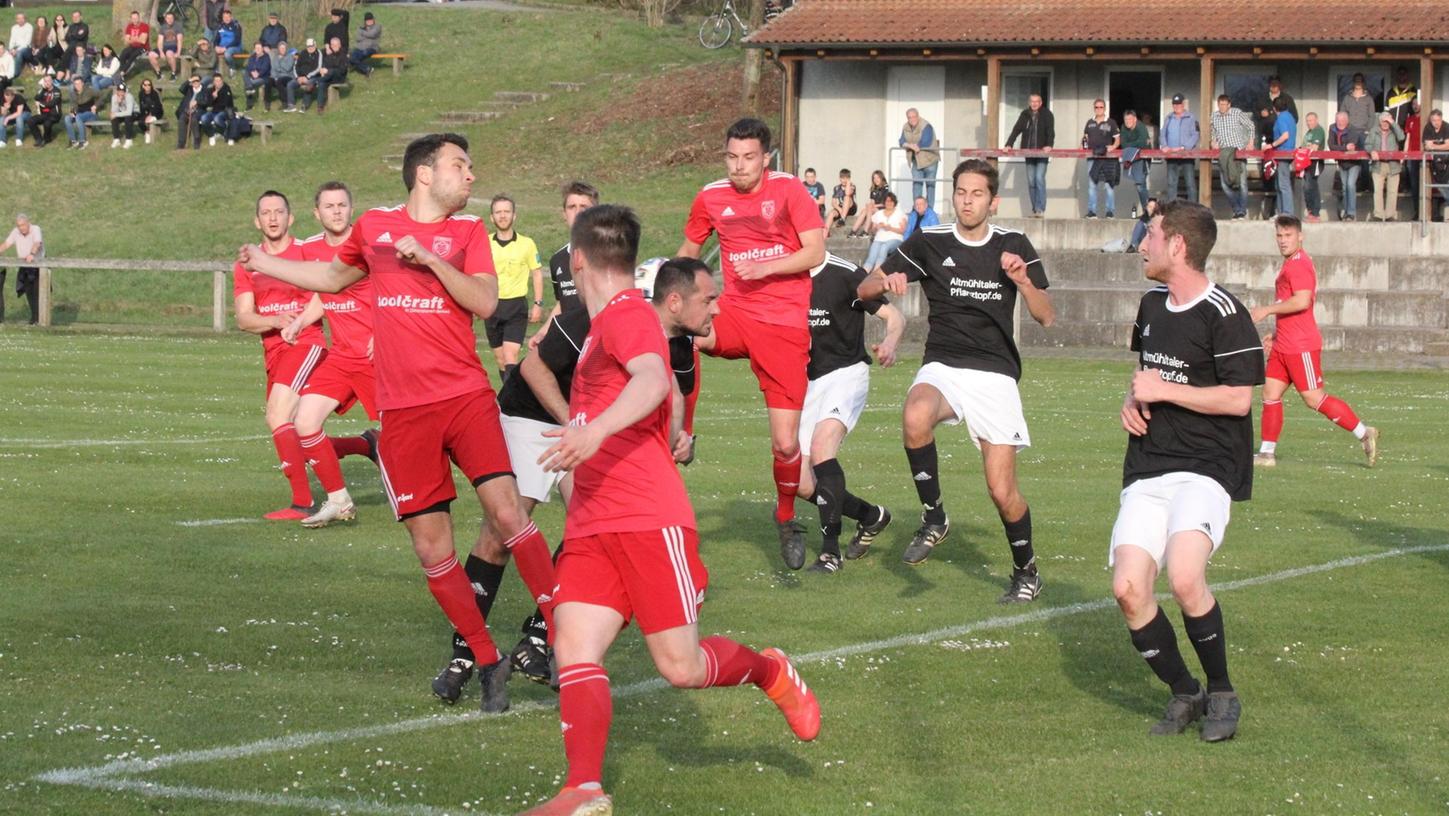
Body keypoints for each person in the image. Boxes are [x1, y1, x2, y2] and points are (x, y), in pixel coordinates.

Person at [238, 133, 561, 715]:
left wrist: (433, 259)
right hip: (404, 413)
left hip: (465, 397)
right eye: (460, 165)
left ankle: (564, 633)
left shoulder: (467, 235)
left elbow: (487, 303)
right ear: (423, 174)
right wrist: (266, 263)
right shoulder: (373, 227)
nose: (470, 176)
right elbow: (334, 279)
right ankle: (486, 660)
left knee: (508, 513)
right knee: (430, 547)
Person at [520, 205, 820, 816]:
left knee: (681, 668)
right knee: (574, 648)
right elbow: (664, 398)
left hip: (647, 519)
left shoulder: (627, 313)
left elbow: (654, 379)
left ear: (576, 260)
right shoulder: (607, 320)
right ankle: (584, 788)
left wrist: (595, 432)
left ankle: (769, 672)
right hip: (594, 524)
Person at [455, 256, 712, 691]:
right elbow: (532, 368)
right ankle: (466, 652)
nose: (715, 311)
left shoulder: (680, 342)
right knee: (504, 530)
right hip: (536, 416)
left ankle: (544, 637)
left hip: (595, 435)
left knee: (590, 523)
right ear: (671, 301)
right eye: (709, 300)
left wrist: (681, 439)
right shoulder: (589, 320)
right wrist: (577, 423)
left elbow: (671, 397)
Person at [858, 158, 1055, 603]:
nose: (967, 201)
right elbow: (864, 290)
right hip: (944, 363)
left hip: (995, 373)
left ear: (993, 201)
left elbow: (1046, 316)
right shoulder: (930, 240)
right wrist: (883, 281)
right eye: (961, 193)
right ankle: (934, 517)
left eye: (977, 194)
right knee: (914, 414)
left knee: (1002, 491)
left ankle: (1026, 572)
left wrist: (1023, 281)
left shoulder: (1013, 243)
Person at [1113, 199, 1262, 743]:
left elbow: (1239, 399)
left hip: (1207, 468)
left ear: (1177, 245)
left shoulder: (1225, 312)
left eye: (1151, 234)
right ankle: (1184, 691)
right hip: (1149, 466)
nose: (1143, 244)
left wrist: (1162, 389)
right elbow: (1143, 377)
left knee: (1183, 575)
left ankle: (1221, 690)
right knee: (1129, 587)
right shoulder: (1151, 304)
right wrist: (1132, 401)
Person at [677, 118, 826, 569]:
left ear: (765, 158)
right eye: (732, 157)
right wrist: (665, 290)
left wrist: (770, 268)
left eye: (748, 158)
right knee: (683, 332)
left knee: (785, 445)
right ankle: (685, 431)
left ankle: (785, 517)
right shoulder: (711, 196)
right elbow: (686, 252)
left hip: (783, 324)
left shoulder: (789, 191)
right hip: (735, 313)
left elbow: (815, 251)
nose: (739, 167)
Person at [795, 252, 903, 572]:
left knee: (821, 450)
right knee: (799, 484)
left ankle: (830, 553)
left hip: (846, 374)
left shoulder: (845, 274)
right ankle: (871, 516)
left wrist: (891, 343)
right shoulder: (786, 279)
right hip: (808, 382)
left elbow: (895, 317)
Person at [1247, 215, 1377, 469]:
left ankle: (1364, 432)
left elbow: (1302, 301)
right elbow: (1293, 304)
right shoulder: (1290, 264)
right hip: (1284, 342)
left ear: (1300, 236)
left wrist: (1267, 310)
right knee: (1270, 394)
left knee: (1313, 398)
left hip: (1300, 345)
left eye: (1288, 236)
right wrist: (1276, 333)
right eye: (1279, 236)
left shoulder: (1299, 265)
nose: (1283, 241)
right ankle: (1266, 453)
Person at [232, 192, 332, 519]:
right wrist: (274, 320)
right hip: (274, 351)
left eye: (279, 212)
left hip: (305, 343)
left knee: (277, 415)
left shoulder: (306, 252)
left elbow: (326, 295)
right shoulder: (248, 263)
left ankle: (302, 503)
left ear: (291, 218)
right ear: (256, 221)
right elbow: (244, 318)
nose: (273, 218)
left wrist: (300, 321)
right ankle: (365, 444)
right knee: (295, 430)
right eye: (265, 213)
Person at [292, 181, 381, 528]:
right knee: (304, 422)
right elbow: (323, 291)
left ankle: (374, 445)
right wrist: (301, 321)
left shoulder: (367, 245)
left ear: (351, 209)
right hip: (342, 357)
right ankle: (339, 500)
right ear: (317, 213)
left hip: (376, 357)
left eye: (342, 205)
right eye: (329, 206)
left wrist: (384, 333)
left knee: (405, 441)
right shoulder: (311, 248)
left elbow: (393, 290)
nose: (336, 211)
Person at [485, 194, 544, 381]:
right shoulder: (484, 243)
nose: (503, 216)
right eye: (498, 212)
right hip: (491, 306)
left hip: (516, 307)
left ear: (514, 216)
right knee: (500, 359)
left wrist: (538, 303)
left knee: (511, 356)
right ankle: (507, 400)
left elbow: (536, 273)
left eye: (507, 212)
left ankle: (512, 402)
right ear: (492, 217)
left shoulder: (527, 244)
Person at [544, 180, 598, 322]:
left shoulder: (609, 254)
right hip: (570, 342)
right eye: (572, 207)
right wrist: (543, 331)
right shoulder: (557, 260)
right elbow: (563, 302)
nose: (578, 212)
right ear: (564, 214)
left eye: (584, 206)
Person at [1004, 92, 1054, 216]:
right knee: (1031, 181)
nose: (1034, 103)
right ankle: (1035, 209)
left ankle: (1040, 209)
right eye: (1032, 101)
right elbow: (1016, 130)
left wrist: (1049, 145)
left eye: (1037, 101)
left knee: (1039, 179)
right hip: (1028, 152)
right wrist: (1009, 144)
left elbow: (1051, 131)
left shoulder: (1047, 114)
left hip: (1042, 153)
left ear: (1041, 103)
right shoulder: (1025, 114)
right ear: (1029, 102)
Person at [1209, 94, 1253, 220]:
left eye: (1224, 104)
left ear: (1229, 104)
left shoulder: (1237, 113)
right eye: (1220, 104)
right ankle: (1237, 209)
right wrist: (1213, 141)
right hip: (1223, 154)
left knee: (1242, 184)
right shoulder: (1214, 116)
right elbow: (1213, 132)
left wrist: (1250, 142)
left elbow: (1251, 126)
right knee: (1225, 185)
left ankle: (1242, 211)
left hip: (1237, 152)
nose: (1222, 107)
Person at [0, 213, 42, 325]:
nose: (21, 228)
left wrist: (32, 254)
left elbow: (37, 243)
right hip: (25, 266)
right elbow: (6, 244)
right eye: (19, 225)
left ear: (28, 223)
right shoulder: (16, 232)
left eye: (23, 225)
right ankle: (34, 318)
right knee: (28, 292)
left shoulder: (35, 229)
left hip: (38, 266)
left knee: (38, 292)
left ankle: (40, 319)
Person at [1082, 98, 1120, 218]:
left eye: (1101, 107)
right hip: (1092, 157)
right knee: (1092, 185)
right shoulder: (1089, 122)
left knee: (1109, 186)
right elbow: (1085, 139)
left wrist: (1113, 147)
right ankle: (1092, 211)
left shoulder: (1111, 122)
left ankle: (1110, 212)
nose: (1098, 109)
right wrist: (1083, 147)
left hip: (1107, 158)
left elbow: (1117, 140)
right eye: (1096, 107)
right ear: (1094, 108)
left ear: (1105, 108)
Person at [1366, 112, 1406, 221]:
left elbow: (1402, 137)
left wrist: (1393, 122)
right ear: (1379, 121)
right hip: (1378, 165)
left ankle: (1390, 215)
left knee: (1392, 191)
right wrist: (1371, 151)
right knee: (1378, 190)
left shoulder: (1394, 130)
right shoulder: (1374, 131)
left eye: (1387, 121)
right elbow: (1367, 144)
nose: (1385, 123)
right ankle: (1378, 215)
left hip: (1393, 164)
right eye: (1383, 121)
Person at [1328, 110, 1366, 221]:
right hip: (1341, 162)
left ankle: (1351, 212)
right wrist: (1344, 148)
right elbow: (1331, 145)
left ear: (1347, 120)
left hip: (1354, 162)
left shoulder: (1353, 130)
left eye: (1342, 120)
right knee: (1344, 187)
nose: (1340, 123)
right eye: (1338, 120)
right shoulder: (1332, 128)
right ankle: (1345, 212)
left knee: (1350, 184)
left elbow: (1352, 147)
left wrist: (1343, 148)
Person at [1162, 93, 1200, 202]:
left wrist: (1184, 147)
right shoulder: (1168, 118)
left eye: (1178, 104)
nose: (1176, 107)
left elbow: (1196, 134)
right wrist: (1165, 146)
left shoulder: (1191, 117)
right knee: (1171, 184)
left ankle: (1193, 209)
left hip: (1186, 155)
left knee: (1190, 184)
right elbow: (1163, 134)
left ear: (1183, 104)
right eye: (1174, 104)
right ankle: (1171, 210)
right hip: (1172, 156)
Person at [899, 107, 940, 205]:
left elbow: (926, 141)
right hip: (916, 161)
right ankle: (917, 209)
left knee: (930, 186)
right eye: (909, 117)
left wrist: (915, 146)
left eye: (914, 116)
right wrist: (910, 145)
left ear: (918, 116)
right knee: (917, 185)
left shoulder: (926, 125)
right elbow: (901, 141)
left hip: (930, 161)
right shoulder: (905, 127)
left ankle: (929, 209)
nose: (912, 119)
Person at [1267, 96, 1297, 216]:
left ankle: (1287, 212)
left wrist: (1272, 145)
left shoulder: (1281, 119)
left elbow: (1285, 135)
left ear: (1274, 108)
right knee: (1279, 184)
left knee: (1283, 184)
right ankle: (1280, 211)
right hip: (1286, 154)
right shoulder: (1290, 117)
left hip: (1283, 154)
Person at [862, 191, 906, 269]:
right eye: (887, 201)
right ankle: (863, 275)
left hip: (894, 239)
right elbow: (872, 231)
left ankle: (876, 273)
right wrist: (876, 227)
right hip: (879, 239)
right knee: (871, 258)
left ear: (894, 202)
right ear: (884, 202)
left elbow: (902, 231)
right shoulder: (878, 214)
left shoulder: (900, 213)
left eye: (891, 201)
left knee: (884, 247)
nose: (889, 203)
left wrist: (890, 228)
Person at [1120, 108, 1152, 212]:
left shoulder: (1141, 126)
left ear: (1135, 119)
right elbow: (1123, 144)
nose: (1128, 121)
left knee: (1141, 185)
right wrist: (1136, 145)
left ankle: (1147, 210)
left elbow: (1143, 143)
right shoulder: (1123, 127)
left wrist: (1131, 146)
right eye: (1126, 119)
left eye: (1130, 119)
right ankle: (1147, 210)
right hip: (1131, 158)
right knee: (1140, 185)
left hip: (1143, 159)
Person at [1300, 112, 1327, 221]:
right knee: (1306, 187)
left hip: (1315, 163)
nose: (1309, 123)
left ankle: (1315, 213)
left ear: (1316, 120)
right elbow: (1303, 146)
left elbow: (1314, 148)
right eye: (1307, 121)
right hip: (1306, 162)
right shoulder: (1308, 133)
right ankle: (1310, 211)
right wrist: (1306, 147)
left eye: (1311, 120)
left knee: (1311, 186)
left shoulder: (1318, 130)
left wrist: (1308, 147)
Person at [1424, 108, 1449, 222]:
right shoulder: (1428, 128)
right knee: (1441, 185)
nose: (1436, 123)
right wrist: (1441, 146)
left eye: (1438, 120)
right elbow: (1427, 145)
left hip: (1447, 161)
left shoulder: (1446, 127)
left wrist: (1434, 146)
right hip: (1436, 163)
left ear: (1441, 119)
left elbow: (1448, 146)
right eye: (1434, 120)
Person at [62, 75, 100, 148]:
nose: (77, 86)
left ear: (82, 83)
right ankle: (73, 141)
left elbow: (101, 96)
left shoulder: (89, 91)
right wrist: (72, 112)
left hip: (90, 114)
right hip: (79, 113)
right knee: (67, 118)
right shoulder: (74, 93)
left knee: (78, 117)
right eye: (75, 84)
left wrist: (95, 106)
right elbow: (74, 105)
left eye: (79, 83)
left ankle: (83, 141)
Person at [849, 169, 888, 237]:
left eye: (878, 177)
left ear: (882, 178)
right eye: (874, 178)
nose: (876, 179)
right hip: (874, 210)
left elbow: (884, 204)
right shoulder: (873, 189)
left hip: (883, 211)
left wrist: (871, 206)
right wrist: (870, 206)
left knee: (869, 207)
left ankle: (866, 231)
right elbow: (872, 203)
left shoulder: (886, 188)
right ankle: (853, 231)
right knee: (864, 210)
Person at [199, 71, 234, 147]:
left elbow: (228, 103)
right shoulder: (211, 90)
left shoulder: (226, 89)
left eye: (219, 81)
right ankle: (211, 135)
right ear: (213, 82)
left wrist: (217, 97)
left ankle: (225, 132)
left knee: (217, 119)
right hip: (214, 111)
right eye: (216, 81)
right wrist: (213, 98)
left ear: (222, 81)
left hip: (224, 111)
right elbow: (208, 104)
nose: (218, 83)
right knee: (203, 118)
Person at [287, 38, 321, 113]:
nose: (310, 48)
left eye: (312, 46)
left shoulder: (319, 53)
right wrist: (298, 77)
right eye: (308, 46)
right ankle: (291, 105)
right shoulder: (302, 53)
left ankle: (304, 105)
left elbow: (318, 68)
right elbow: (295, 66)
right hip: (300, 77)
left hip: (313, 77)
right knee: (290, 84)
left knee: (309, 85)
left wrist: (307, 77)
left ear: (315, 45)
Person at [315, 36, 347, 114]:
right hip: (328, 78)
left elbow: (342, 71)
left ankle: (314, 82)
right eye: (332, 45)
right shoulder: (328, 54)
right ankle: (320, 106)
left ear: (339, 45)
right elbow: (324, 64)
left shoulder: (343, 55)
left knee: (328, 75)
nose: (334, 46)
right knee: (322, 84)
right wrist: (322, 70)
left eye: (336, 45)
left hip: (339, 77)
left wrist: (328, 71)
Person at [25, 74, 60, 147]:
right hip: (44, 114)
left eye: (49, 81)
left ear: (52, 81)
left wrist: (41, 103)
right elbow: (36, 98)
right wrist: (43, 89)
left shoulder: (57, 91)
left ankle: (47, 139)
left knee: (47, 123)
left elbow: (53, 103)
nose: (47, 83)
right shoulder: (43, 90)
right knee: (30, 121)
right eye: (45, 81)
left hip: (54, 114)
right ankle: (39, 139)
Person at [175, 73, 204, 150]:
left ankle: (197, 141)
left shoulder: (204, 90)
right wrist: (189, 80)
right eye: (193, 81)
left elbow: (207, 101)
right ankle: (181, 142)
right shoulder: (189, 89)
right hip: (187, 111)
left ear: (200, 81)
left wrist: (197, 102)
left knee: (194, 120)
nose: (195, 82)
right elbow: (181, 89)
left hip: (198, 111)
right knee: (181, 120)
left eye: (197, 80)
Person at [153, 11, 184, 80]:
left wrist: (178, 52)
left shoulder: (178, 26)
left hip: (173, 46)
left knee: (169, 53)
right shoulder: (163, 27)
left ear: (173, 19)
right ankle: (159, 73)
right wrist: (161, 52)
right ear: (165, 19)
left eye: (171, 18)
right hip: (164, 47)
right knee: (151, 55)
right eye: (168, 18)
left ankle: (174, 73)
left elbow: (180, 40)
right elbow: (160, 41)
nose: (169, 20)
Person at [212, 9, 243, 77]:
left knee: (227, 54)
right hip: (222, 47)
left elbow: (237, 40)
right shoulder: (220, 26)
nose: (226, 19)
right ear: (222, 18)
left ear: (231, 17)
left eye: (228, 17)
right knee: (211, 51)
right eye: (224, 17)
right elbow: (216, 39)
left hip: (235, 47)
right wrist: (216, 46)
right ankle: (216, 70)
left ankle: (233, 68)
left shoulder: (236, 26)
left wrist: (225, 48)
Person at [349, 12, 381, 76]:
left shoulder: (377, 27)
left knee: (363, 53)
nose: (369, 21)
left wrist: (363, 33)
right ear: (365, 21)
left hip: (371, 48)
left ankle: (356, 65)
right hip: (359, 48)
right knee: (352, 57)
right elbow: (358, 38)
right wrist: (367, 36)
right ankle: (367, 69)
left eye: (370, 20)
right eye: (367, 20)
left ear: (373, 19)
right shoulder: (361, 27)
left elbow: (372, 34)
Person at [119, 11, 149, 77]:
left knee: (132, 56)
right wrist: (138, 38)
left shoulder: (144, 26)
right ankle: (122, 72)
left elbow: (143, 41)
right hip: (132, 46)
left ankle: (122, 73)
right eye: (133, 18)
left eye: (136, 18)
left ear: (139, 18)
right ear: (131, 19)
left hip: (143, 48)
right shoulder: (129, 26)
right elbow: (126, 41)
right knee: (123, 54)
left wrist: (132, 38)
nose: (134, 20)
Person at [107, 81, 136, 148]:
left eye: (122, 91)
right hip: (122, 113)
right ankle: (116, 139)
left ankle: (129, 140)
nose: (121, 93)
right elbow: (113, 111)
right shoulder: (114, 97)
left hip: (134, 113)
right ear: (117, 91)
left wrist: (116, 114)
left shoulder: (129, 96)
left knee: (127, 118)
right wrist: (118, 103)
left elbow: (129, 112)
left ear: (125, 92)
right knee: (114, 118)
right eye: (119, 91)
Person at [242, 42, 271, 111]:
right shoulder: (252, 57)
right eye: (256, 48)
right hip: (252, 76)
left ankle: (249, 105)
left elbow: (265, 68)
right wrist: (252, 72)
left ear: (262, 49)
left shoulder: (266, 57)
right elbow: (248, 67)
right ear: (254, 49)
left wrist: (258, 74)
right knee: (244, 72)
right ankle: (250, 88)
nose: (257, 49)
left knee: (249, 84)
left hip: (263, 77)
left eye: (259, 48)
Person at [8, 13, 32, 80]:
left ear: (25, 19)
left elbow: (27, 42)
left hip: (26, 48)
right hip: (15, 48)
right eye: (18, 18)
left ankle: (15, 74)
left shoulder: (29, 27)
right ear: (16, 20)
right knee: (3, 51)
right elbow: (12, 40)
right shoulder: (14, 28)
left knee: (19, 54)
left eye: (22, 18)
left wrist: (17, 50)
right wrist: (11, 49)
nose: (20, 20)